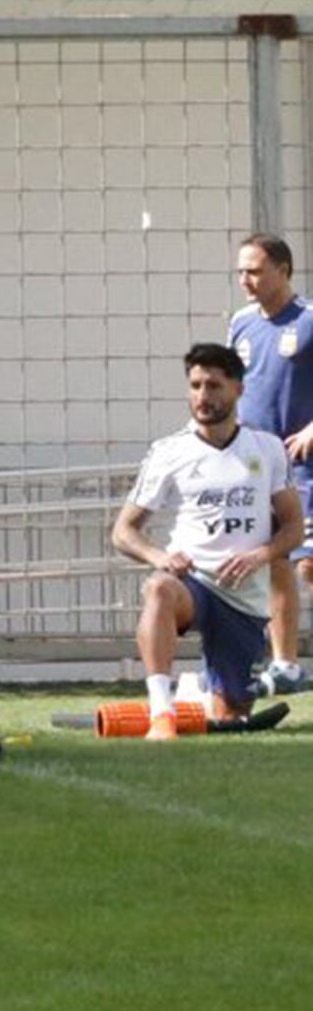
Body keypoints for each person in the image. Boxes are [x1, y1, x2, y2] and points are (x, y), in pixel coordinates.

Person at [115, 339, 306, 738]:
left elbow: (292, 527)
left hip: (244, 597)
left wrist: (259, 556)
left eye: (214, 386)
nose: (203, 396)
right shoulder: (168, 451)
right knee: (159, 589)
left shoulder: (267, 449)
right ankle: (162, 712)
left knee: (230, 713)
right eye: (196, 385)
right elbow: (124, 531)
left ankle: (200, 691)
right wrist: (159, 557)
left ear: (238, 389)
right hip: (194, 584)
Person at [224, 235, 313, 689]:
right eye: (241, 271)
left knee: (307, 565)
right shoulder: (240, 324)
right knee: (278, 561)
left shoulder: (309, 320)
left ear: (283, 270)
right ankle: (286, 664)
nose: (245, 280)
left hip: (306, 468)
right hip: (260, 469)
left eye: (254, 271)